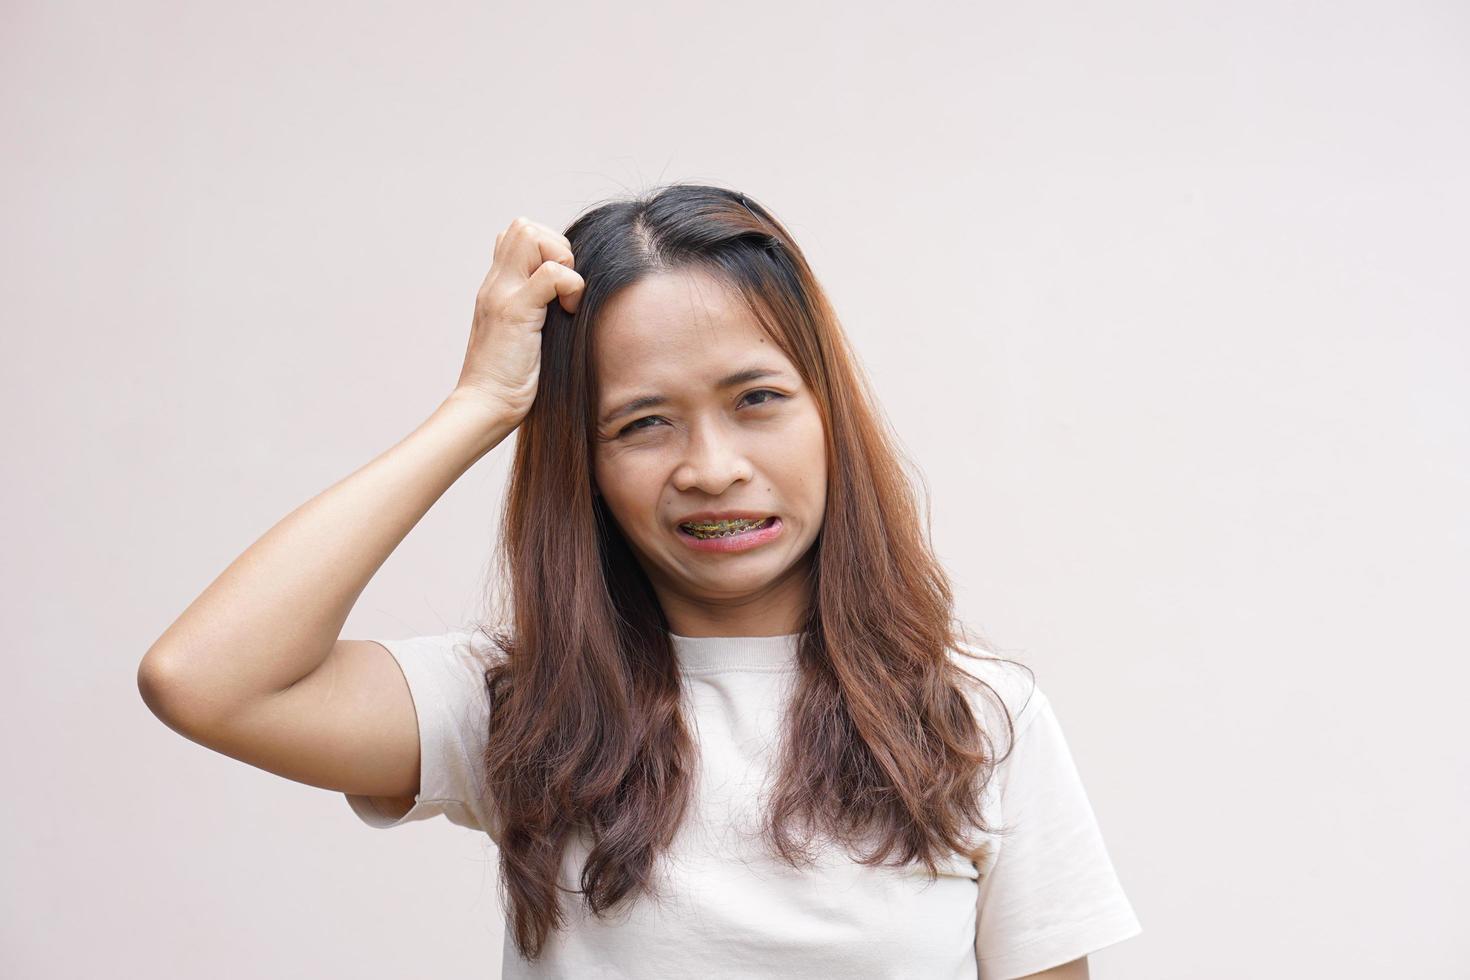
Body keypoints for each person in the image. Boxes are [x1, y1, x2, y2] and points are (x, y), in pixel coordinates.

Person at [137, 184, 1142, 979]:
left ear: (828, 411)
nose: (710, 465)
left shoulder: (976, 714)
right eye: (642, 422)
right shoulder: (519, 705)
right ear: (584, 460)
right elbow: (203, 678)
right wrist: (480, 406)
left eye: (756, 399)